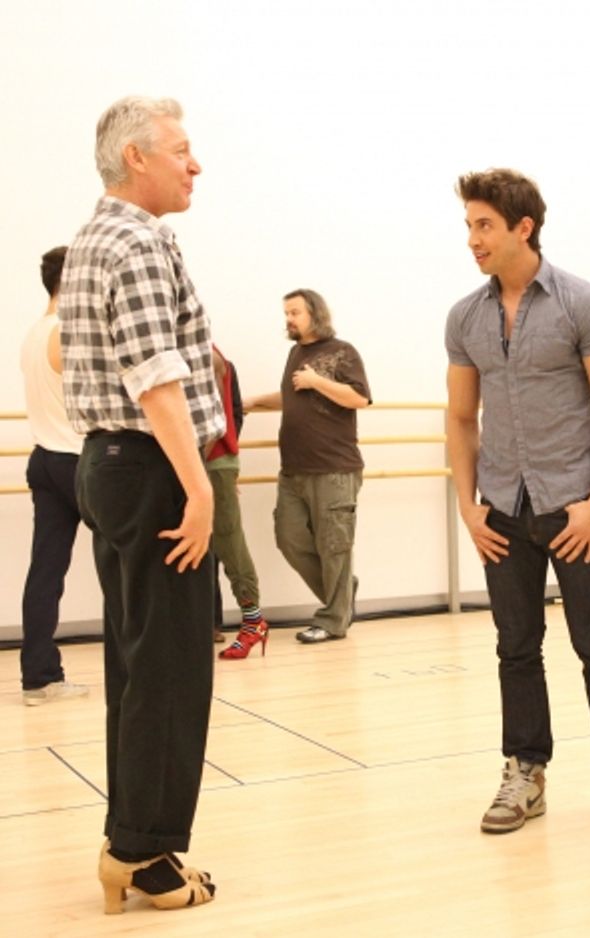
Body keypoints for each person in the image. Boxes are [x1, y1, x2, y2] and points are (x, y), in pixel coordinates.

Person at [445, 168, 590, 836]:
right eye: (468, 225)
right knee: (515, 647)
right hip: (501, 508)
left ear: (522, 228)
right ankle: (525, 773)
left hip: (572, 507)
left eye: (483, 225)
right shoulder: (465, 317)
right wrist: (467, 507)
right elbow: (460, 418)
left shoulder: (583, 305)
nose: (471, 238)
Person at [60, 95, 218, 911]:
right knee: (171, 667)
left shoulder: (93, 237)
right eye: (183, 151)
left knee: (137, 662)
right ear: (137, 159)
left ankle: (131, 842)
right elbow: (156, 376)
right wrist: (198, 490)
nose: (196, 165)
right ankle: (148, 855)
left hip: (110, 464)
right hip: (152, 466)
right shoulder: (137, 242)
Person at [244, 290, 371, 644]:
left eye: (295, 312)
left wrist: (317, 381)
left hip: (334, 469)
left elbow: (359, 397)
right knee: (289, 538)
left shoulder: (343, 352)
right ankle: (343, 593)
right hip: (294, 469)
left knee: (334, 547)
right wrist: (254, 401)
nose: (289, 319)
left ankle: (333, 620)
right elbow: (293, 396)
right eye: (286, 313)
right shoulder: (295, 353)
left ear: (315, 313)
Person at [19, 246, 89, 706]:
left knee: (45, 570)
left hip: (45, 459)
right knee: (130, 561)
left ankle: (39, 678)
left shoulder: (34, 332)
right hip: (76, 463)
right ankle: (141, 666)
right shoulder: (66, 332)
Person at [209, 346, 270, 658]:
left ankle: (253, 621)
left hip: (211, 462)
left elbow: (215, 420)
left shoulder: (210, 356)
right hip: (202, 462)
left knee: (228, 541)